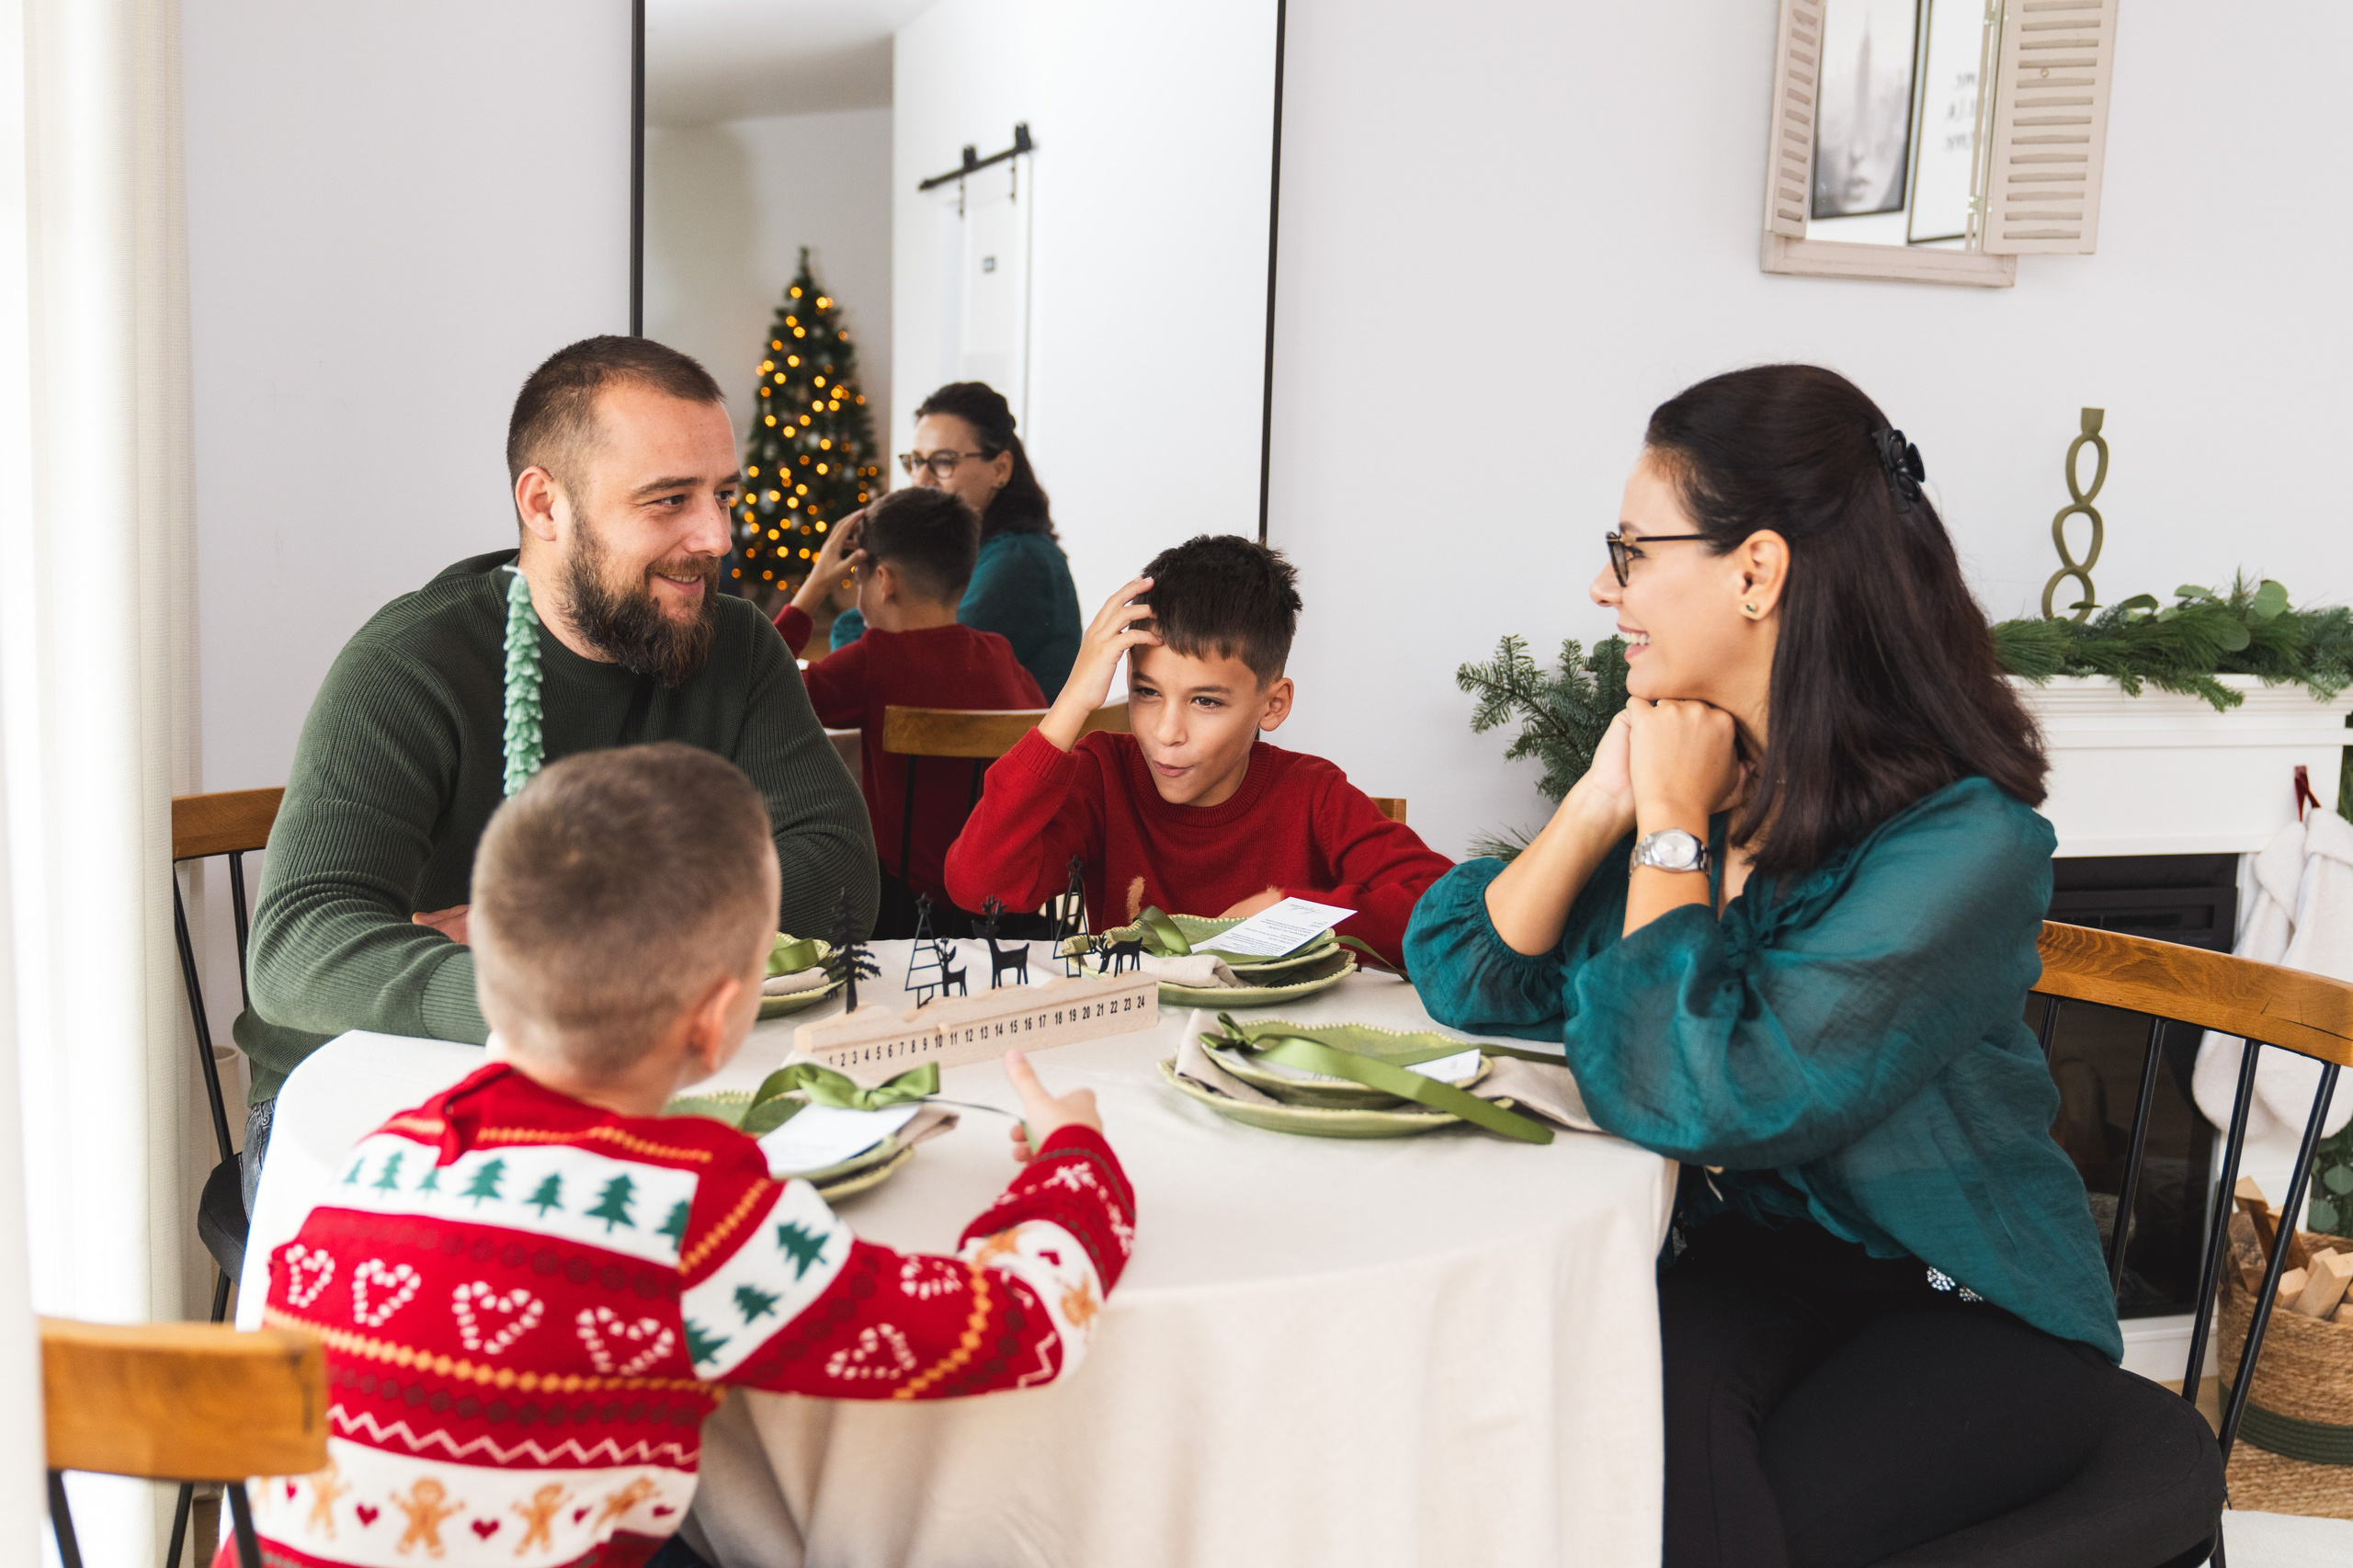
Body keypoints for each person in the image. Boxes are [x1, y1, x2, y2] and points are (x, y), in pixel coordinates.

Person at [1403, 365, 2131, 1568]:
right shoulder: (1705, 763)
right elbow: (1469, 973)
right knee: (1583, 1471)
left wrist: (1672, 831)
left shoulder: (1966, 846)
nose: (1604, 586)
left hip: (1969, 1300)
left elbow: (1695, 1096)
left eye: (1632, 548)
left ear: (1756, 570)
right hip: (1758, 1264)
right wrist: (1600, 803)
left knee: (1691, 1523)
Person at [230, 744, 1129, 1568]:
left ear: (477, 949)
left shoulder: (375, 1160)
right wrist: (1072, 1154)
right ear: (715, 1019)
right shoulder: (692, 1208)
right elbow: (1021, 1324)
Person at [234, 337, 879, 1207]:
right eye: (669, 501)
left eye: (722, 495)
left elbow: (837, 871)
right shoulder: (410, 665)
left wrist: (554, 945)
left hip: (641, 1085)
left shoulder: (740, 648)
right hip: (371, 1101)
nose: (716, 537)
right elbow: (297, 947)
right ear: (545, 504)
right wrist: (541, 1003)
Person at [943, 534, 1451, 967]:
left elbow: (1441, 910)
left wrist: (1293, 915)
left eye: (1206, 701)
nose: (1167, 732)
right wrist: (1072, 702)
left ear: (1272, 706)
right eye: (1146, 692)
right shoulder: (1103, 775)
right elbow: (978, 883)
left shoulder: (1312, 793)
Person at [776, 486, 1045, 937]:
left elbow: (762, 685)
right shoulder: (1001, 656)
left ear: (883, 581)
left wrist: (815, 588)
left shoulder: (872, 660)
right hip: (1004, 908)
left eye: (857, 580)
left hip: (902, 913)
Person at [822, 381, 1082, 698]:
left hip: (1003, 746)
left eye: (943, 461)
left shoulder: (1018, 561)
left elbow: (903, 665)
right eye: (916, 461)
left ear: (1001, 468)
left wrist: (846, 624)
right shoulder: (973, 554)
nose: (921, 479)